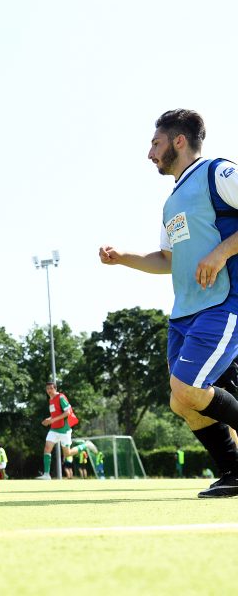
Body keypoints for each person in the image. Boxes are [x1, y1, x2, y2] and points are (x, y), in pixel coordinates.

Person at [99, 109, 238, 498]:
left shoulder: (218, 173)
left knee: (187, 386)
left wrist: (221, 253)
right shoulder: (172, 201)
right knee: (181, 401)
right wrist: (122, 258)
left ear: (179, 141)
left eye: (155, 144)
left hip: (224, 302)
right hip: (184, 314)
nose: (150, 154)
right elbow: (168, 260)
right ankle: (234, 472)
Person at [36, 382, 97, 480]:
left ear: (55, 388)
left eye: (51, 388)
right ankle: (46, 474)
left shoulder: (61, 397)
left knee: (67, 454)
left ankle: (86, 445)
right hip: (54, 429)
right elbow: (55, 415)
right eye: (47, 389)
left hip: (64, 430)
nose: (49, 390)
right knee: (47, 448)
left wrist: (52, 420)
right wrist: (49, 419)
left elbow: (67, 412)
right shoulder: (51, 400)